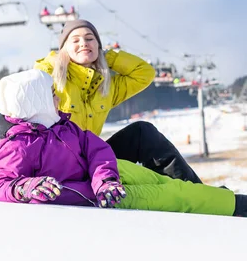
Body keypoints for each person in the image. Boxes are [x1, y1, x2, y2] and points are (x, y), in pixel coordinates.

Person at [0, 69, 247, 218]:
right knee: (173, 198)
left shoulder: (59, 124)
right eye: (51, 94)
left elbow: (95, 148)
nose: (58, 97)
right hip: (100, 198)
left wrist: (105, 178)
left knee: (168, 184)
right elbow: (1, 185)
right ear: (35, 103)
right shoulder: (16, 146)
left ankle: (217, 200)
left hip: (107, 177)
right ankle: (237, 206)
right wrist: (26, 188)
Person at [34, 19, 203, 184]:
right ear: (64, 49)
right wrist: (54, 62)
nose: (84, 43)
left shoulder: (106, 86)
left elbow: (144, 73)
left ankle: (190, 190)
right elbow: (31, 85)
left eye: (90, 39)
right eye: (75, 40)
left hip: (92, 159)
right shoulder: (52, 79)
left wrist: (109, 57)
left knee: (142, 132)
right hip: (60, 165)